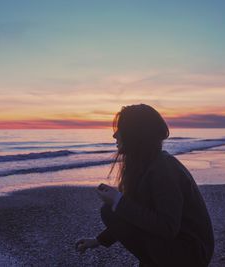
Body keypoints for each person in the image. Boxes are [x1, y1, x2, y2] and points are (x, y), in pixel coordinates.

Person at [75, 104, 214, 267]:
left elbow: (168, 227)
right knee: (112, 210)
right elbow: (138, 216)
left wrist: (118, 201)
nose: (114, 135)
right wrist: (98, 240)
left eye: (121, 129)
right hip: (179, 244)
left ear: (136, 134)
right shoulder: (147, 164)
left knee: (111, 211)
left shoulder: (163, 170)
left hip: (192, 254)